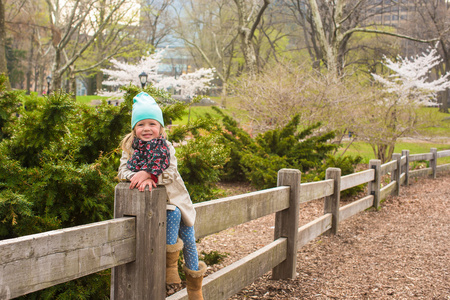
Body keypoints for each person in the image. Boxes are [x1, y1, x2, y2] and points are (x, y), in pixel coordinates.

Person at [118, 92, 206, 300]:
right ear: (134, 129)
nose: (146, 128)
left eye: (152, 124)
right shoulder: (130, 149)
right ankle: (170, 270)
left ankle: (195, 290)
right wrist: (138, 175)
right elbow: (122, 172)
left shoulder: (166, 147)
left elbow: (170, 173)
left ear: (160, 128)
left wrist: (150, 174)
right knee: (173, 214)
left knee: (189, 238)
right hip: (154, 207)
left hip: (175, 199)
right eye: (141, 124)